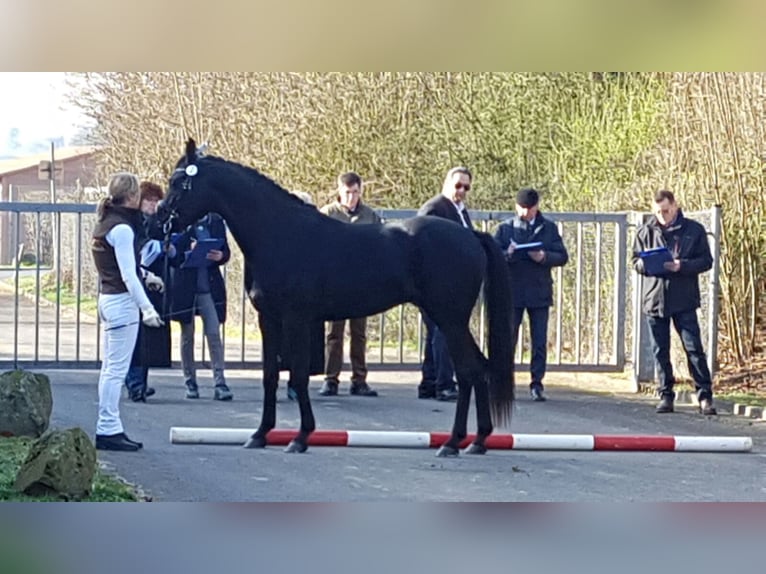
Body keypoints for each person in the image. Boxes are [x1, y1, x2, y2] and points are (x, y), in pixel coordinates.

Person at [91, 172, 164, 451]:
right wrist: (147, 308)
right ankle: (108, 428)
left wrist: (147, 276)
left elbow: (128, 269)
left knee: (110, 369)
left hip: (109, 299)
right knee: (115, 371)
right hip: (121, 303)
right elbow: (126, 275)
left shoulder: (106, 222)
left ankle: (109, 426)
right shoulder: (122, 228)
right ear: (133, 197)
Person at [632, 190, 717, 415]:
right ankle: (665, 395)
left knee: (693, 348)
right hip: (655, 298)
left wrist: (683, 265)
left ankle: (705, 396)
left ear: (676, 207)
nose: (663, 216)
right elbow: (635, 260)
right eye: (658, 212)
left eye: (666, 211)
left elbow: (706, 261)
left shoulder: (693, 230)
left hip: (684, 298)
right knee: (660, 350)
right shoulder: (645, 231)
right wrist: (646, 265)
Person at [493, 188, 568, 402]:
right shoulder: (505, 228)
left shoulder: (548, 228)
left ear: (537, 207)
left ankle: (537, 383)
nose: (525, 212)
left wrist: (544, 257)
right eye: (522, 208)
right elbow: (492, 253)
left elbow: (562, 256)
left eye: (529, 208)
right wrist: (507, 254)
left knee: (539, 341)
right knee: (508, 339)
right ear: (516, 206)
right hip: (512, 291)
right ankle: (504, 383)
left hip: (539, 290)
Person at [318, 172, 381, 397]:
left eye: (355, 192)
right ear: (339, 192)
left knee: (359, 332)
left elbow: (379, 246)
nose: (352, 197)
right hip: (334, 280)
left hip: (361, 280)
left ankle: (359, 379)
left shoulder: (370, 216)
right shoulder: (327, 214)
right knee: (334, 332)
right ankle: (331, 378)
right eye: (347, 192)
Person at [416, 166, 474, 402]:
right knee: (445, 331)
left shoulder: (460, 211)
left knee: (436, 333)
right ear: (447, 183)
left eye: (466, 187)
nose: (461, 191)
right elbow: (421, 243)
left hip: (449, 281)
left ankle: (429, 383)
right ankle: (444, 383)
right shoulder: (435, 208)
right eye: (458, 185)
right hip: (435, 281)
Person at [167, 212, 233, 401]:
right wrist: (188, 250)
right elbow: (172, 255)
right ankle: (190, 382)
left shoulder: (215, 220)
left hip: (209, 287)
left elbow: (225, 251)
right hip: (186, 286)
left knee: (213, 333)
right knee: (187, 335)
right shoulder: (178, 221)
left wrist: (220, 256)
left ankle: (220, 382)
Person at [124, 181, 172, 402]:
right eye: (149, 201)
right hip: (137, 281)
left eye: (155, 201)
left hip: (153, 284)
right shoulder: (133, 223)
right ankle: (134, 383)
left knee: (146, 339)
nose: (153, 205)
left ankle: (140, 382)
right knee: (134, 338)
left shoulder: (157, 222)